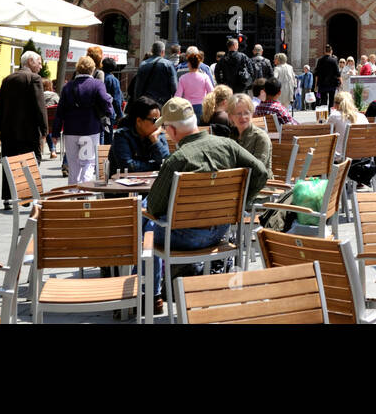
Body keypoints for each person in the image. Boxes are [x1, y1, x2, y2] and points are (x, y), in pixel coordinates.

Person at [144, 98, 270, 311]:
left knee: (144, 222)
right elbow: (261, 172)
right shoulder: (228, 145)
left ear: (172, 130)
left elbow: (155, 208)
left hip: (184, 238)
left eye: (165, 128)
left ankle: (150, 294)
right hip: (222, 232)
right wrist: (241, 203)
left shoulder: (177, 160)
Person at [0, 52, 49, 210]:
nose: (40, 66)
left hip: (8, 131)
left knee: (9, 162)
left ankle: (8, 197)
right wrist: (44, 128)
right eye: (39, 62)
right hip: (28, 131)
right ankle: (26, 195)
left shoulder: (8, 79)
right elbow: (40, 106)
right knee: (30, 161)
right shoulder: (34, 79)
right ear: (30, 61)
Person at [53, 56, 112, 185]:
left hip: (71, 130)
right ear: (93, 69)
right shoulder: (97, 84)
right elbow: (105, 101)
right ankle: (86, 192)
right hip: (91, 129)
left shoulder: (67, 87)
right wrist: (110, 113)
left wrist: (55, 133)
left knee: (73, 166)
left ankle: (74, 195)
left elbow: (60, 111)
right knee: (89, 163)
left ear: (78, 69)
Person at [110, 96, 170, 173]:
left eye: (160, 120)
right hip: (121, 182)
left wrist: (155, 141)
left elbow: (166, 162)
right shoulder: (122, 135)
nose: (158, 125)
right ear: (139, 121)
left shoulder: (157, 134)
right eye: (155, 120)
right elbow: (128, 166)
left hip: (150, 182)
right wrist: (156, 166)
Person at [224, 91, 271, 174]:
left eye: (246, 113)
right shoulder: (231, 136)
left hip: (261, 184)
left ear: (252, 113)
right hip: (236, 182)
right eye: (238, 114)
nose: (243, 117)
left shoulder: (260, 137)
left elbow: (258, 169)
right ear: (230, 116)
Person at [175, 51, 213, 122]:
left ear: (188, 64)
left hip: (187, 107)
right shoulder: (205, 77)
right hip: (202, 107)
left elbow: (178, 96)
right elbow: (211, 92)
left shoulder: (183, 78)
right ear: (199, 64)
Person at [329, 90, 367, 158]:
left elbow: (325, 134)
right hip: (361, 155)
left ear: (336, 104)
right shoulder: (362, 116)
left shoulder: (334, 116)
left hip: (340, 156)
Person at [314, 44, 341, 109]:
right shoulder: (333, 60)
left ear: (324, 51)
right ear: (331, 51)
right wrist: (340, 82)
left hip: (322, 84)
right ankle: (330, 113)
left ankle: (324, 115)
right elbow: (337, 73)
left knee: (323, 100)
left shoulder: (320, 60)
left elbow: (316, 74)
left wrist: (316, 85)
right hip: (332, 84)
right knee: (331, 100)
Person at [101, 56, 125, 122]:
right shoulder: (114, 80)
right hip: (110, 111)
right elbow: (116, 99)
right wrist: (120, 114)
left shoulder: (99, 77)